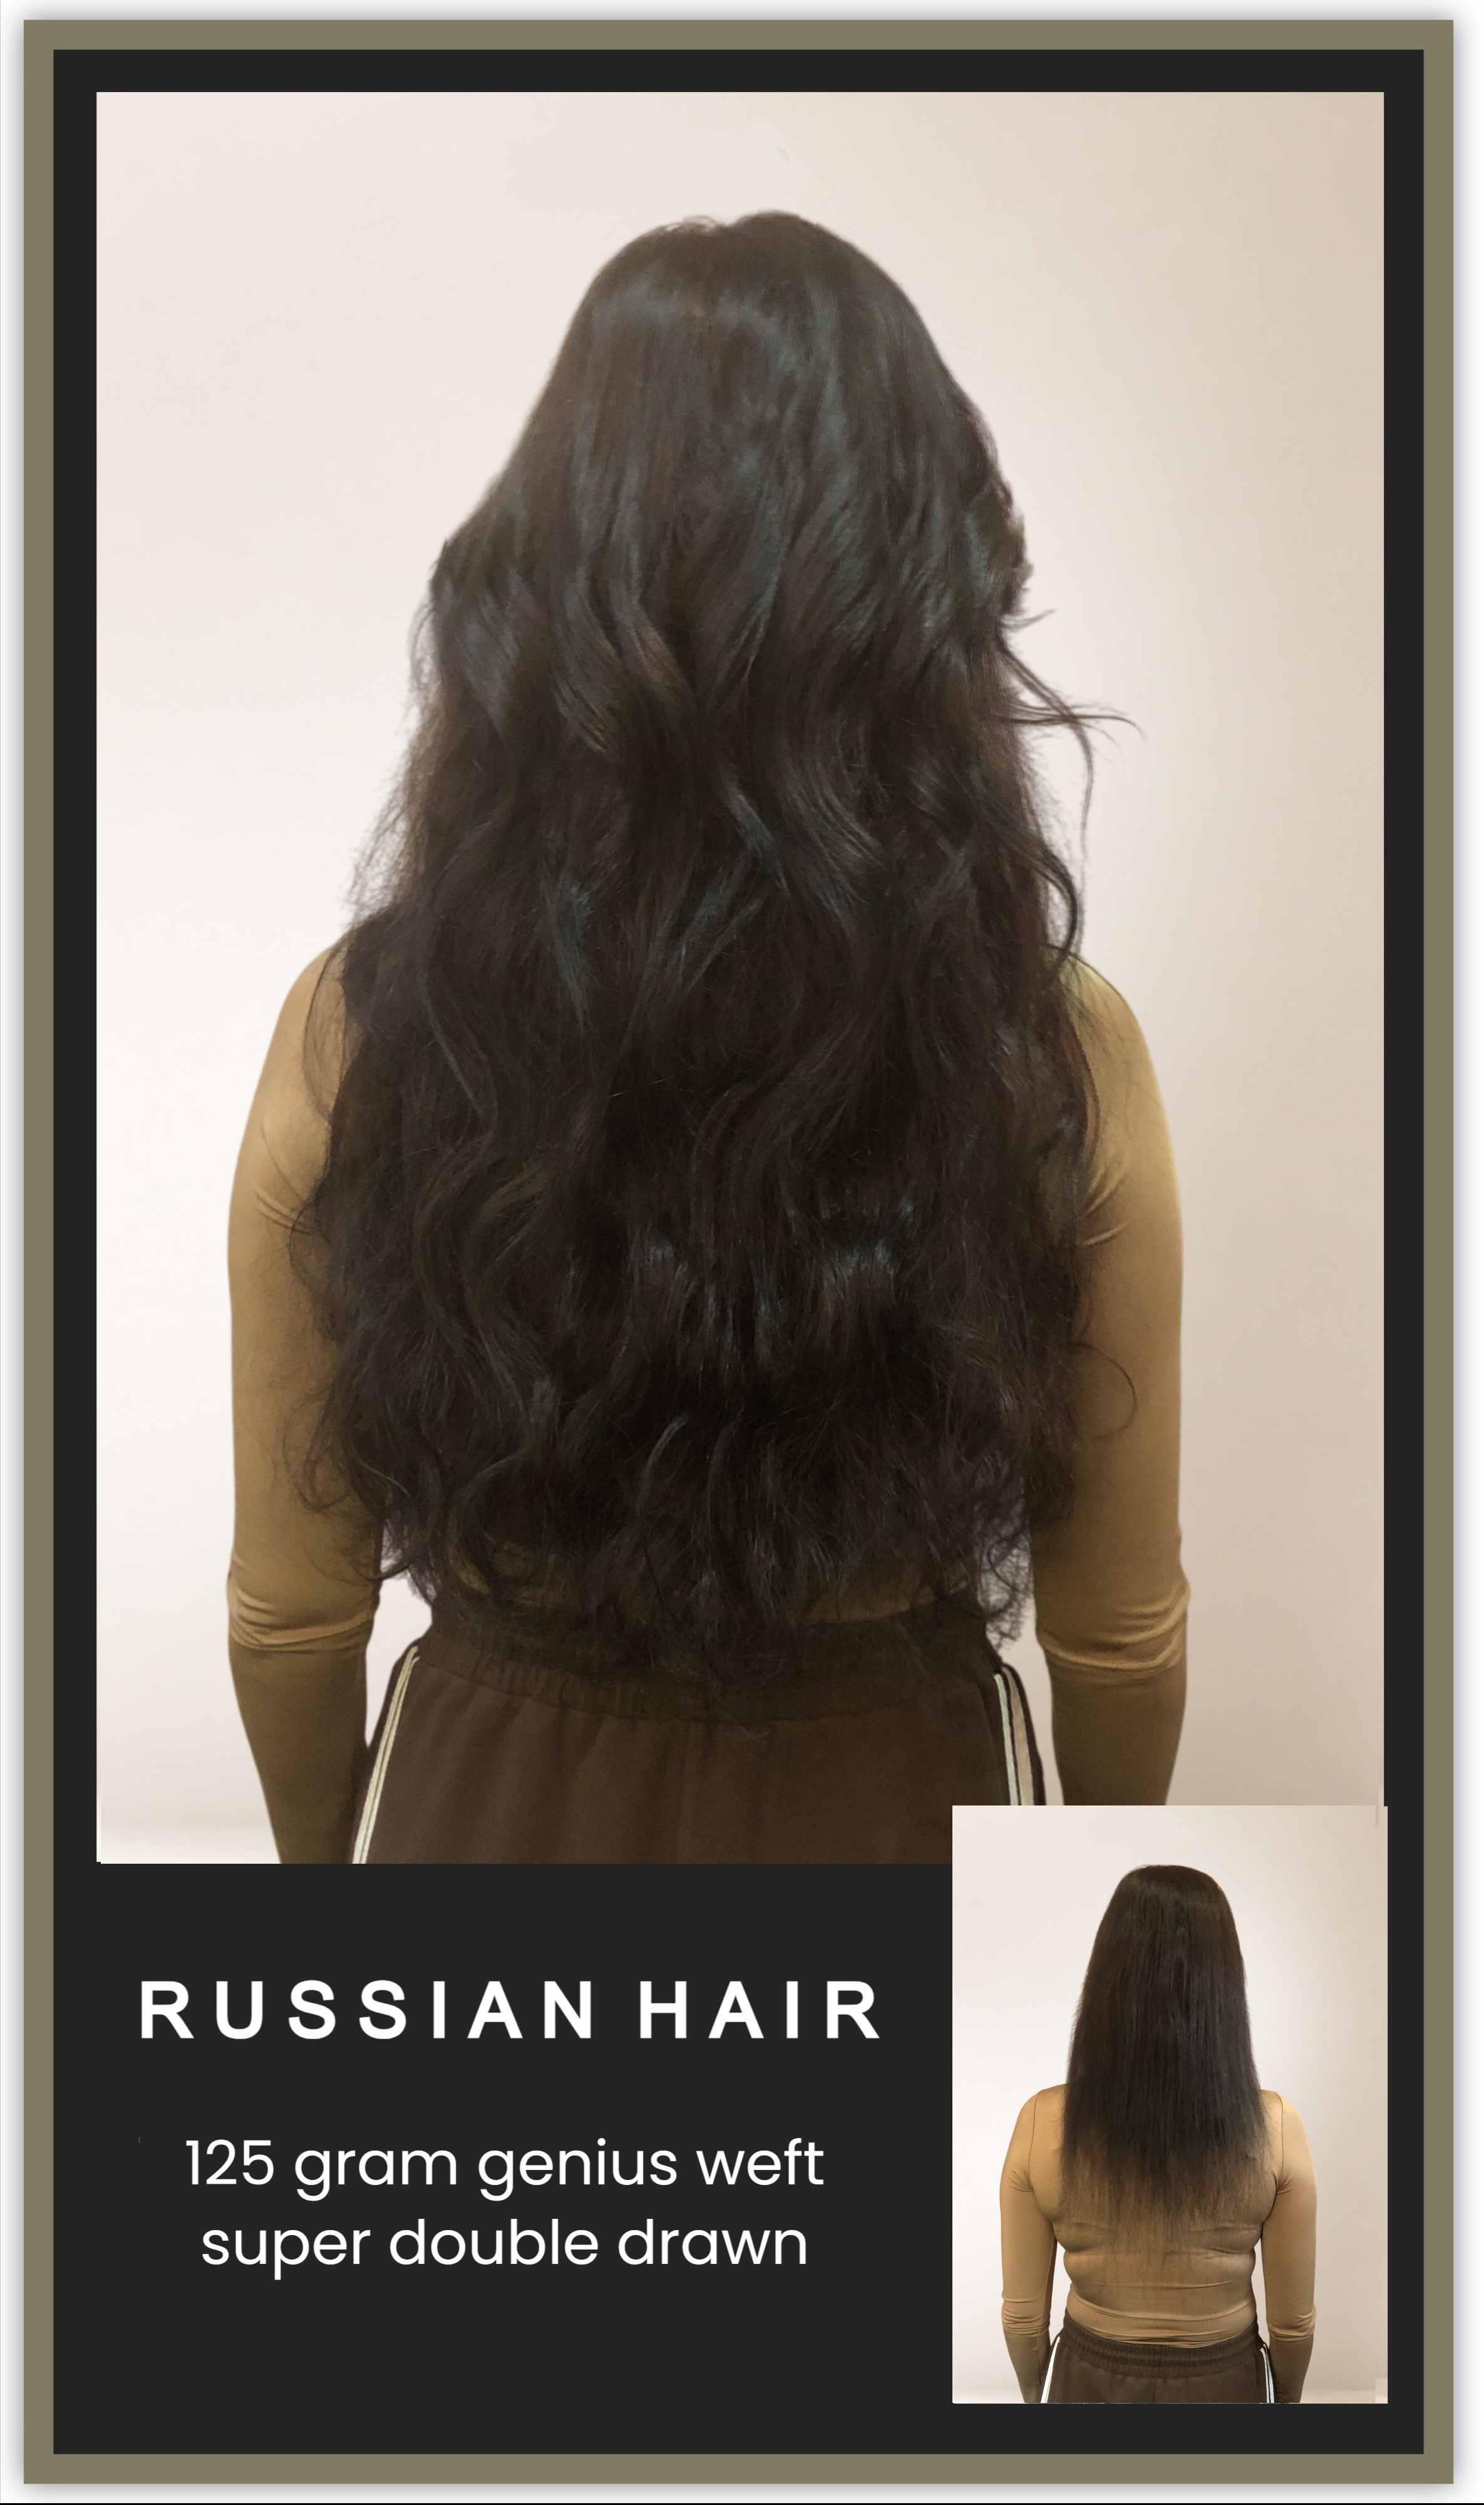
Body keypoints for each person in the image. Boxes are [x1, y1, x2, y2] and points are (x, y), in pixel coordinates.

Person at [226, 212, 1188, 1865]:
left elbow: (289, 1622)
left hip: (488, 1811)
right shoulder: (1057, 1053)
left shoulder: (359, 1030)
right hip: (890, 1812)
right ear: (924, 601)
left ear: (541, 589)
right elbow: (1121, 1642)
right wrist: (1093, 1897)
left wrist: (328, 1878)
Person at [999, 1866, 1317, 2404]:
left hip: (1087, 2380)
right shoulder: (1276, 2126)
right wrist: (1285, 2401)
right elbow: (1293, 2325)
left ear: (1105, 1978)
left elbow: (1023, 2319)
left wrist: (1037, 2395)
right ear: (1224, 1986)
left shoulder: (1042, 2120)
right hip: (1223, 2384)